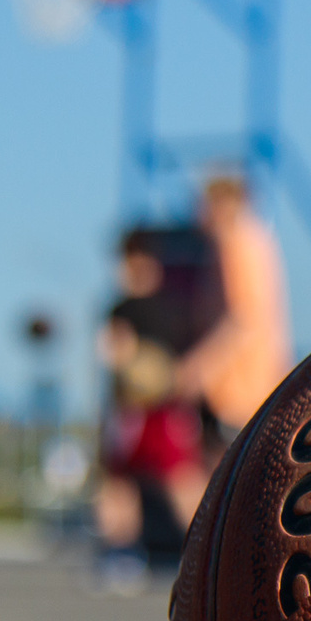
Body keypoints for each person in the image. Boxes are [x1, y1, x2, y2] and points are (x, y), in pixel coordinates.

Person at [93, 230, 206, 590]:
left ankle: (207, 551)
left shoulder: (172, 308)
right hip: (128, 410)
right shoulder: (118, 307)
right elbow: (110, 352)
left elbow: (185, 364)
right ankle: (121, 552)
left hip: (165, 409)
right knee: (118, 483)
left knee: (182, 479)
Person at [178, 174, 292, 455]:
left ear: (223, 204)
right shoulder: (252, 239)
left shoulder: (236, 241)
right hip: (249, 387)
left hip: (240, 392)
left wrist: (199, 369)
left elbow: (243, 318)